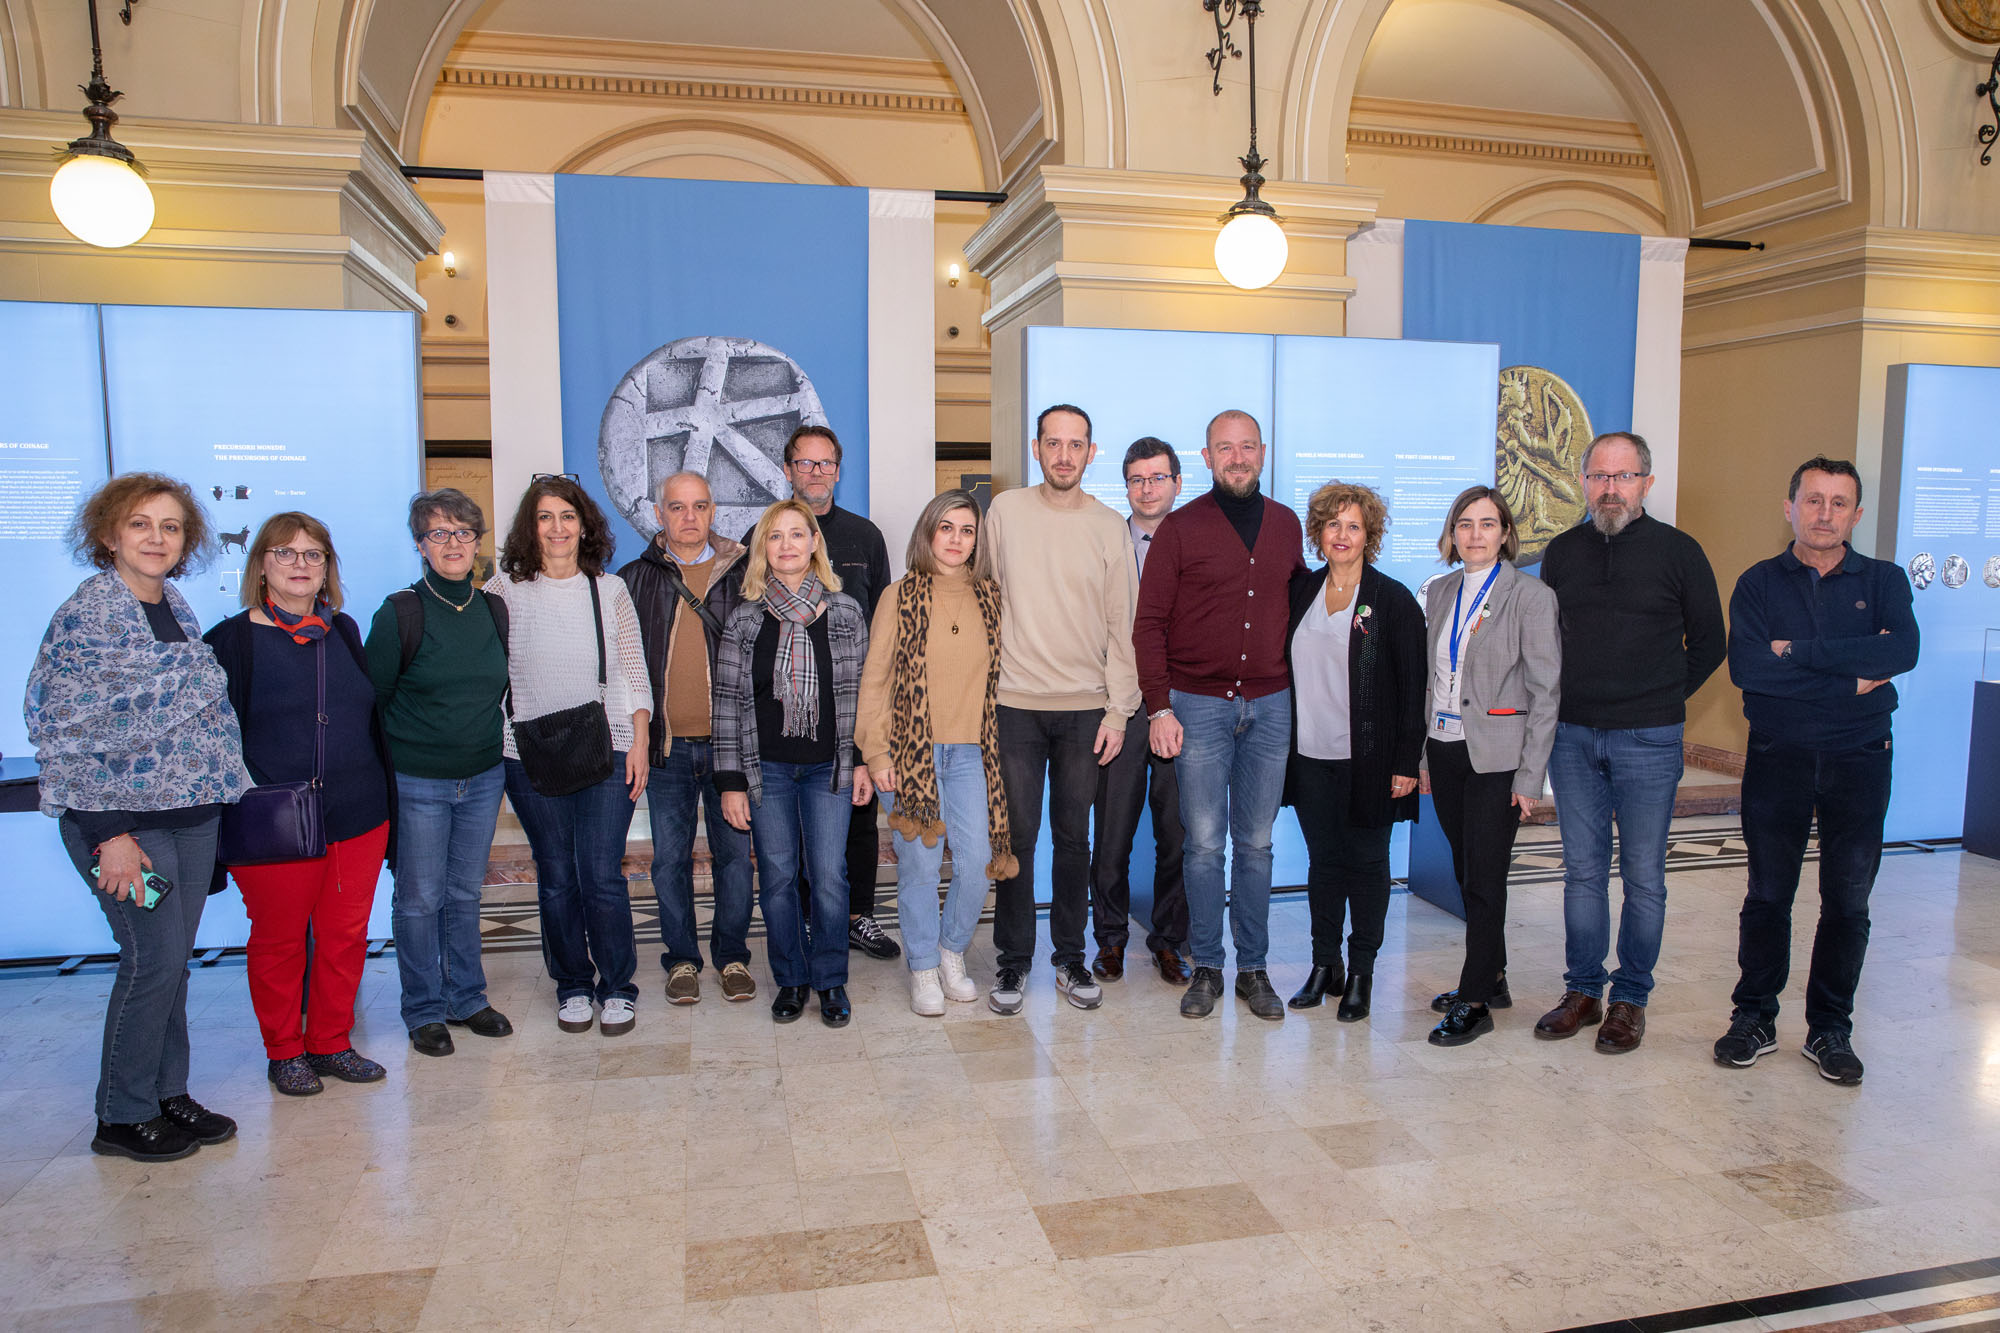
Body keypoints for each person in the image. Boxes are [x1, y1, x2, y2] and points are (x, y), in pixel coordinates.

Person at [26, 473, 252, 1161]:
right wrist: (110, 835)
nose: (156, 537)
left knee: (173, 961)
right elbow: (59, 725)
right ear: (107, 535)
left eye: (171, 526)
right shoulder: (91, 612)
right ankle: (121, 1114)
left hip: (187, 813)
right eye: (140, 524)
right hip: (124, 824)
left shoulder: (173, 605)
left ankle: (167, 1093)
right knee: (151, 958)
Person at [1714, 457, 1918, 1085]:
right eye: (1813, 500)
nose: (1824, 513)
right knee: (1768, 895)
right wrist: (1851, 676)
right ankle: (1755, 1017)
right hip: (1779, 758)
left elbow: (1900, 651)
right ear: (1790, 508)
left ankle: (1830, 1027)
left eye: (1838, 503)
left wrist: (1797, 655)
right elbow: (1750, 671)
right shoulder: (1757, 583)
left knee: (1848, 900)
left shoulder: (1884, 580)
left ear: (1856, 515)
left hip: (1860, 760)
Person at [1536, 431, 1725, 1053]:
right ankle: (1584, 991)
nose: (1609, 489)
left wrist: (1664, 696)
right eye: (1598, 477)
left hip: (1649, 736)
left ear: (1646, 481)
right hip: (1572, 736)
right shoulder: (1562, 554)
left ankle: (1630, 1000)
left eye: (1622, 477)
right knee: (1582, 873)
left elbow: (1710, 642)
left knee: (1644, 876)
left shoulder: (1680, 551)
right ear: (1583, 482)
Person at [207, 512, 395, 1095]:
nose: (300, 565)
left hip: (358, 813)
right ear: (261, 563)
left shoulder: (343, 632)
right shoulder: (230, 640)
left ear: (327, 568)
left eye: (313, 555)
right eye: (285, 554)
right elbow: (213, 738)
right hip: (276, 822)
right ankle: (285, 1049)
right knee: (280, 940)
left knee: (344, 936)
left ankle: (332, 1042)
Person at [1134, 409, 1306, 1022]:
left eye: (1247, 447)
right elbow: (1148, 624)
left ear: (1263, 452)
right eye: (1223, 448)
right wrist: (1159, 706)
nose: (1237, 457)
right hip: (1197, 708)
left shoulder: (1287, 526)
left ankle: (1253, 969)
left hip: (1270, 705)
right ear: (1205, 458)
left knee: (1255, 844)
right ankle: (1207, 965)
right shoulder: (1180, 529)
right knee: (1203, 846)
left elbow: (1304, 610)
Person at [983, 404, 1140, 1015]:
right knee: (1017, 838)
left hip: (1086, 711)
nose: (1064, 455)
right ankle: (1013, 961)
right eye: (1054, 443)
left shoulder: (1107, 527)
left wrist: (1120, 711)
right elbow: (984, 598)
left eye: (1076, 445)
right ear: (1036, 447)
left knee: (1076, 839)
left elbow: (1120, 625)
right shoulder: (1005, 513)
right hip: (1014, 705)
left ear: (1091, 452)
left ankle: (1069, 958)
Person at [484, 475, 653, 1037]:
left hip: (607, 747)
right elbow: (486, 670)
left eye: (567, 516)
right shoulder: (504, 590)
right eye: (544, 517)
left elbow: (634, 670)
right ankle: (573, 986)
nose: (557, 528)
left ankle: (619, 988)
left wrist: (641, 742)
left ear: (585, 525)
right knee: (556, 876)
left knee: (602, 874)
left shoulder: (608, 590)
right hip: (527, 752)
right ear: (530, 528)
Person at [364, 488, 515, 1058]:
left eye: (462, 532)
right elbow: (373, 700)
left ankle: (468, 998)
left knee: (464, 895)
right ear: (420, 545)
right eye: (438, 533)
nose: (452, 543)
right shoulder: (400, 610)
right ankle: (424, 1009)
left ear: (478, 543)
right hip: (418, 780)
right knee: (420, 899)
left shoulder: (492, 607)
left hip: (482, 776)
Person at [713, 499, 873, 1027]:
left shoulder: (846, 612)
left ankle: (829, 981)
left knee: (829, 877)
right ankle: (791, 979)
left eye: (797, 535)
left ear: (813, 544)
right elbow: (729, 706)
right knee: (779, 878)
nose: (787, 545)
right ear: (764, 548)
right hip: (769, 772)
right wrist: (731, 782)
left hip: (829, 768)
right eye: (775, 536)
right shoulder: (744, 619)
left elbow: (864, 696)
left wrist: (865, 763)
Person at [856, 491, 1017, 1015]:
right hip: (910, 754)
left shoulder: (991, 596)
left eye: (966, 530)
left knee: (975, 864)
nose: (956, 539)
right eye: (945, 527)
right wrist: (877, 754)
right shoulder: (899, 596)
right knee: (920, 869)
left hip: (972, 753)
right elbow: (875, 679)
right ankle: (923, 966)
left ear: (977, 540)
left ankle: (952, 951)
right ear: (928, 534)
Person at [1418, 488, 1561, 1046]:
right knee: (1464, 870)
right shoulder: (1440, 592)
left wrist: (1531, 778)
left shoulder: (1531, 596)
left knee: (1485, 878)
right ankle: (1494, 974)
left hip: (1500, 757)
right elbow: (1430, 682)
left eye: (1487, 524)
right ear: (1452, 534)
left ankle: (1475, 1000)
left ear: (1505, 533)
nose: (1475, 534)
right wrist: (1424, 755)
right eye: (1465, 524)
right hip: (1448, 748)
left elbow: (1546, 692)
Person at [1282, 482, 1426, 1019]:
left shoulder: (1393, 601)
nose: (1341, 535)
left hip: (1371, 761)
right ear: (1318, 533)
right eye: (1332, 525)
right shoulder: (1302, 591)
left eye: (1353, 526)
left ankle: (1361, 970)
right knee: (1323, 863)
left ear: (1370, 535)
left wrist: (1406, 761)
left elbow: (1414, 689)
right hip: (1310, 757)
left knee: (1367, 864)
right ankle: (1325, 965)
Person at [618, 472, 756, 1006]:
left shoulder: (745, 574)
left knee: (734, 859)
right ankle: (680, 960)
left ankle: (734, 956)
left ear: (713, 510)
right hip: (668, 750)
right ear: (659, 515)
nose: (689, 517)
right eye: (677, 507)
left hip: (731, 750)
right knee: (669, 859)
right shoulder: (634, 578)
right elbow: (625, 667)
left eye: (699, 506)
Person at [766, 425, 900, 963]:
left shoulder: (865, 537)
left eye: (825, 464)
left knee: (860, 818)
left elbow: (887, 621)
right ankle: (803, 920)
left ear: (838, 472)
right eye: (805, 463)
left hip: (856, 703)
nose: (816, 473)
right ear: (788, 470)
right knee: (794, 830)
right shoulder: (771, 534)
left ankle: (856, 917)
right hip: (787, 711)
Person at [1091, 438, 1192, 986]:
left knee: (1178, 835)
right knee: (1112, 834)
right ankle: (1108, 941)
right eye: (1137, 479)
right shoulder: (1105, 538)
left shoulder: (1196, 539)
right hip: (1120, 709)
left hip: (1180, 707)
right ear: (1125, 485)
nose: (1147, 488)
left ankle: (1171, 942)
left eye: (1158, 478)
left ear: (1177, 483)